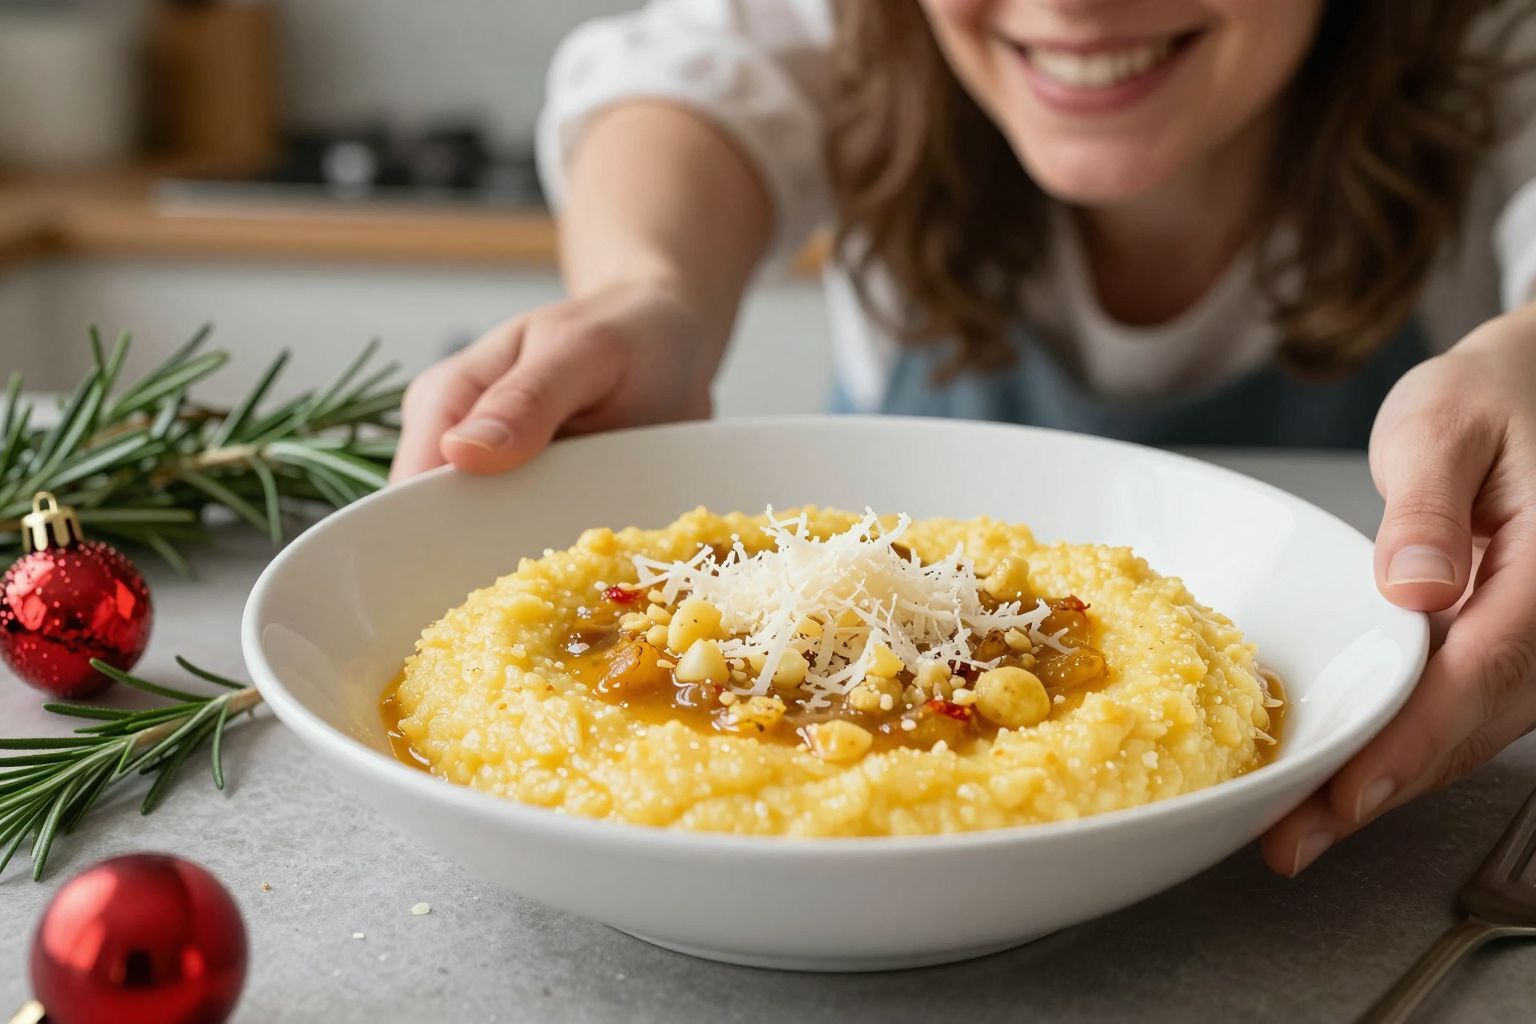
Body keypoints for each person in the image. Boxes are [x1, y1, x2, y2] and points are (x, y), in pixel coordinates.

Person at [390, 1, 1536, 877]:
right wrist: (652, 291)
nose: (1076, 8)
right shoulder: (863, 30)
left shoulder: (1493, 53)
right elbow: (683, 78)